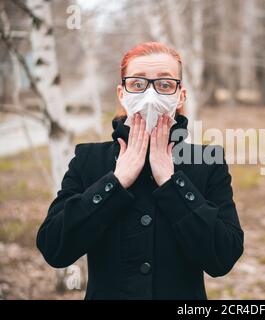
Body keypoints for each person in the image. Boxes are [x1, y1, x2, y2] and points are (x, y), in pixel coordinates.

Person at [36, 42, 244, 300]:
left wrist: (172, 183)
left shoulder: (206, 161)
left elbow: (222, 257)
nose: (150, 95)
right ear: (122, 93)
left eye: (165, 84)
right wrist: (115, 181)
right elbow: (55, 248)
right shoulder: (89, 159)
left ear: (181, 96)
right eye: (138, 84)